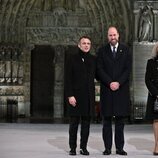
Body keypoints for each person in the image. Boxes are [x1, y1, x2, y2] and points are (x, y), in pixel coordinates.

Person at [97, 26, 132, 155]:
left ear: (118, 35)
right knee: (106, 122)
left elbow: (127, 70)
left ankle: (119, 148)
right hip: (107, 90)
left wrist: (118, 82)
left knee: (120, 122)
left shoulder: (126, 50)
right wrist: (109, 82)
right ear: (108, 37)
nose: (113, 37)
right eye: (110, 35)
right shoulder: (102, 51)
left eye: (114, 35)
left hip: (121, 90)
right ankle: (107, 148)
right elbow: (99, 69)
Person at [65, 36, 96, 156]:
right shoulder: (72, 59)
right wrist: (70, 95)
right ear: (79, 45)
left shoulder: (94, 59)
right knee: (73, 124)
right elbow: (68, 79)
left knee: (86, 125)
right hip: (75, 97)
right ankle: (72, 147)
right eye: (84, 43)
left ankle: (84, 147)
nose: (86, 45)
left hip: (88, 97)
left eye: (88, 43)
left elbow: (99, 75)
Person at [145, 42, 158, 155]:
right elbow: (147, 80)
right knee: (156, 120)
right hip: (155, 96)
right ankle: (157, 145)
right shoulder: (150, 62)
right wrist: (156, 93)